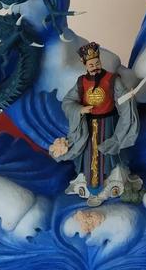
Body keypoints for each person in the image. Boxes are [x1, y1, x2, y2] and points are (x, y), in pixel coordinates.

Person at [58, 42, 140, 205]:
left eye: (97, 63)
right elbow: (68, 102)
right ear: (84, 65)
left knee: (110, 153)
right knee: (88, 155)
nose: (95, 67)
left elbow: (123, 99)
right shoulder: (81, 82)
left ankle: (111, 183)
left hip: (109, 125)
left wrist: (128, 100)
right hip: (88, 127)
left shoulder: (112, 79)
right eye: (91, 65)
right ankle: (91, 187)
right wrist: (79, 109)